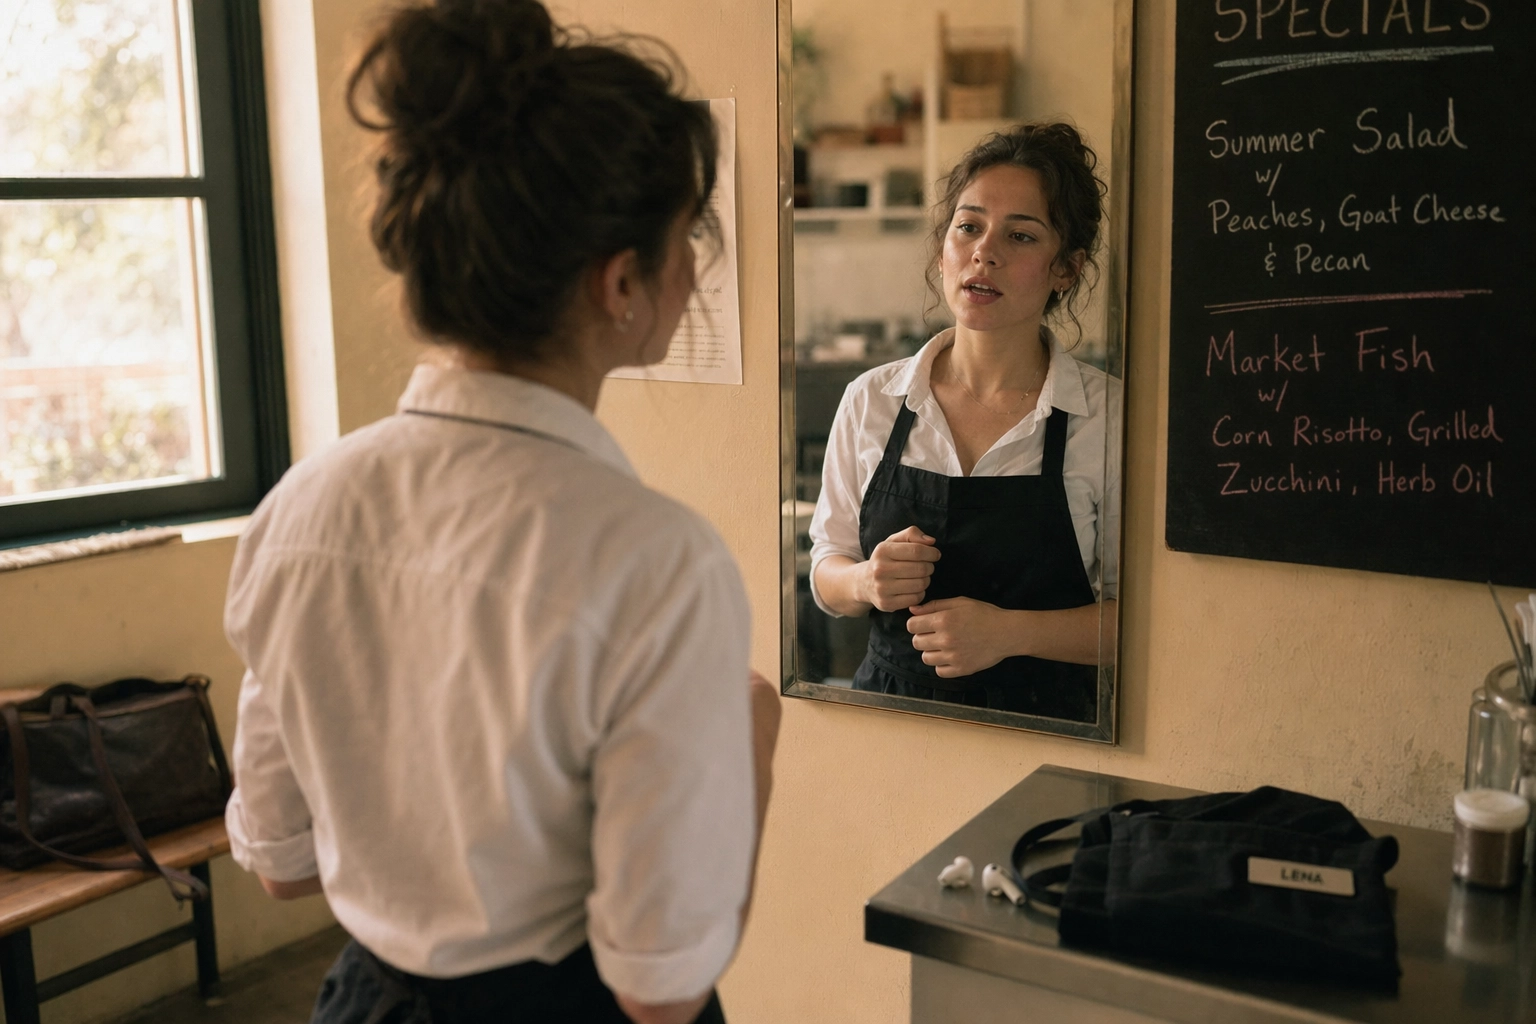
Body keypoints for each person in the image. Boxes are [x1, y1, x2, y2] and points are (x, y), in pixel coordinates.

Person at [221, 3, 780, 1022]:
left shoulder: (298, 512)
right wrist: (754, 748)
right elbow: (659, 984)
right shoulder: (658, 562)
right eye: (687, 237)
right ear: (621, 282)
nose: (696, 269)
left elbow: (281, 867)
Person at [808, 122, 1119, 722]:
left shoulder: (1104, 418)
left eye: (1021, 235)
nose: (985, 252)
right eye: (968, 226)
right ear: (942, 246)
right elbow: (827, 568)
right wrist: (867, 581)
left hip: (1044, 739)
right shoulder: (871, 400)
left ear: (1067, 269)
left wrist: (1010, 633)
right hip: (886, 728)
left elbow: (1146, 626)